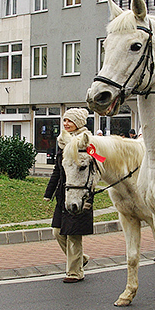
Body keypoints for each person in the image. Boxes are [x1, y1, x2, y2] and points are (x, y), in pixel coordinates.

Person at [43, 108, 93, 282]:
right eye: (64, 120)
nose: (66, 124)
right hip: (63, 195)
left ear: (78, 123)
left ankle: (75, 272)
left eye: (69, 121)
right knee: (57, 232)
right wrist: (48, 192)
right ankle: (80, 259)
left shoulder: (86, 142)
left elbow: (92, 170)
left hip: (79, 195)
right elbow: (57, 170)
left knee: (73, 235)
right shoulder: (62, 142)